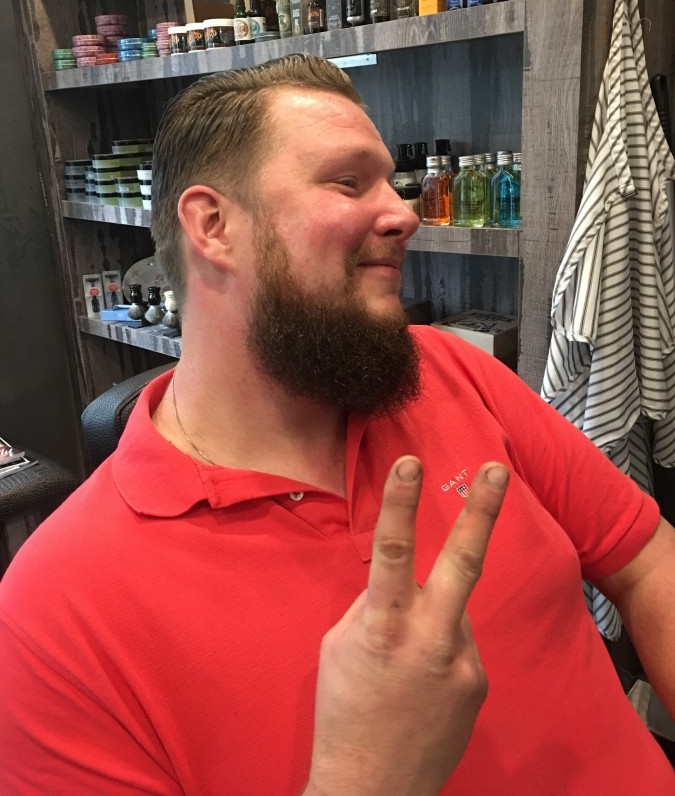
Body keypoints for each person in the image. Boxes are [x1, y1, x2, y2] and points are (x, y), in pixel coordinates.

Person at [0, 54, 674, 794]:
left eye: (389, 181)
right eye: (349, 183)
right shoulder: (56, 614)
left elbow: (644, 560)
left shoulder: (450, 370)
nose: (405, 214)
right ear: (213, 225)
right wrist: (364, 776)